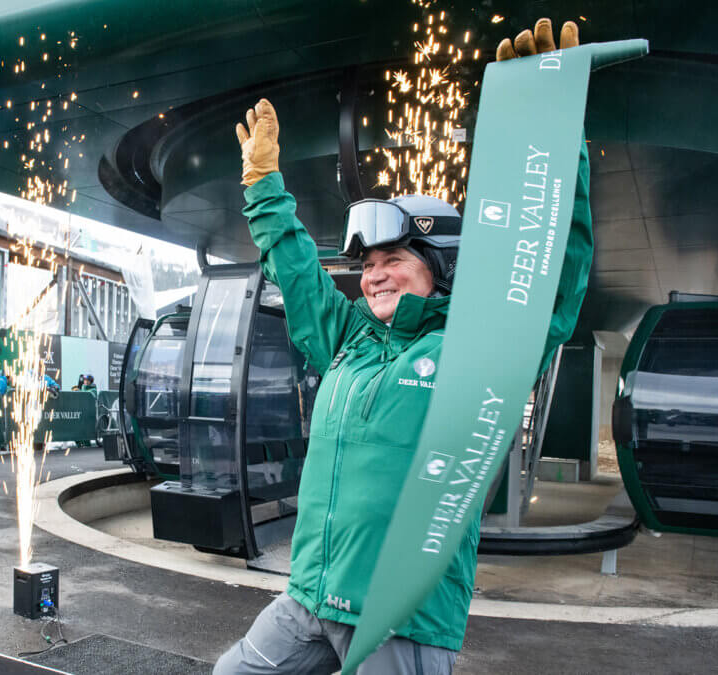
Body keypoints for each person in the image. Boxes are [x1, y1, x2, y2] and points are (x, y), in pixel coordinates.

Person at [214, 20, 592, 675]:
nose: (374, 273)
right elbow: (300, 270)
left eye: (393, 258)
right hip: (310, 596)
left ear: (439, 265)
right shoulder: (350, 340)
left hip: (401, 618)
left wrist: (552, 131)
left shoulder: (473, 347)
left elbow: (549, 278)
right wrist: (264, 189)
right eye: (366, 264)